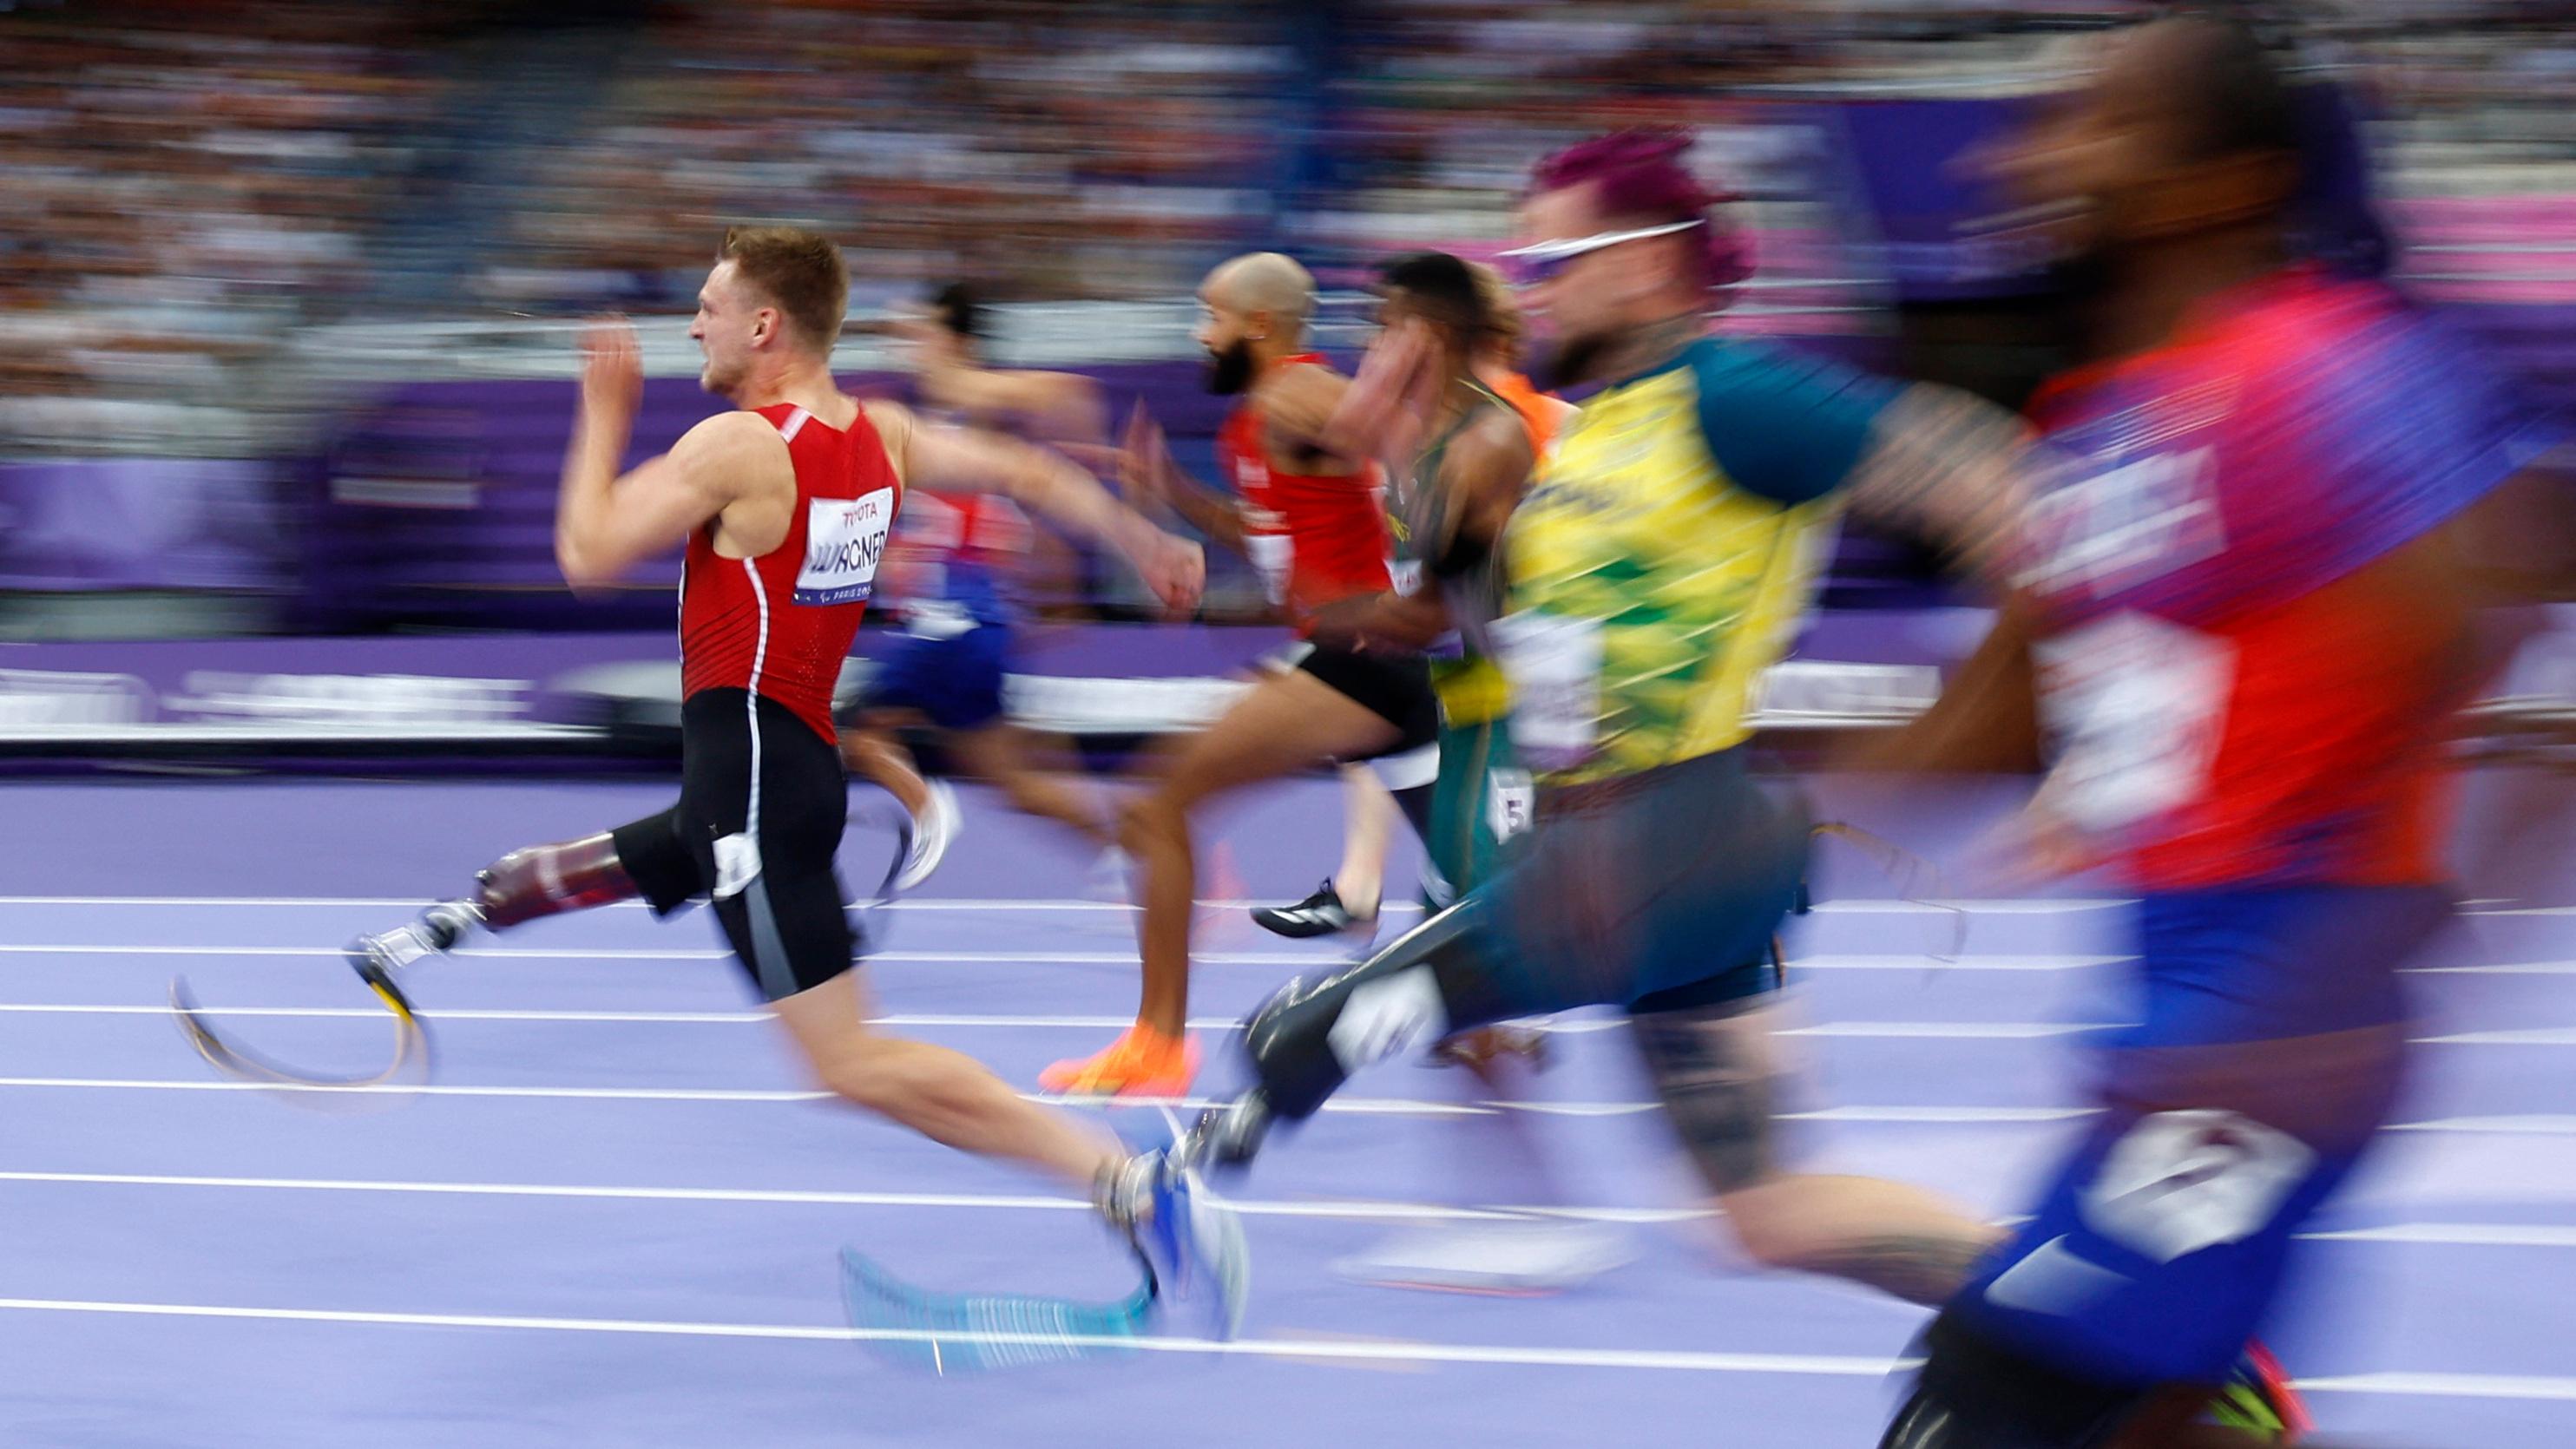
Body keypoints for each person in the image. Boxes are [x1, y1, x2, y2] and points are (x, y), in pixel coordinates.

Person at [1149, 130, 2064, 1320]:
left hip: (1659, 841)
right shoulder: (1595, 430)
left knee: (1302, 1031)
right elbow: (1489, 610)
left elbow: (2017, 493)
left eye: (1555, 260)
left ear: (1647, 265)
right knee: (1769, 1213)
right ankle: (2093, 1315)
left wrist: (2011, 724)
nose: (1530, 286)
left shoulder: (1733, 394)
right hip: (1638, 849)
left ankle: (1176, 1173)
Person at [1855, 18, 2569, 1447]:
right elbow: (2001, 715)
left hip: (2274, 1043)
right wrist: (1719, 829)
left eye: (2095, 121)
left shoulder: (2323, 373)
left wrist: (2365, 972)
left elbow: (2507, 635)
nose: (2035, 151)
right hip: (2161, 1014)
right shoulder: (2092, 421)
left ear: (2222, 182)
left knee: (1983, 1404)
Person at [343, 226, 1241, 1318]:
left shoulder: (738, 446)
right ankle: (455, 916)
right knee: (672, 852)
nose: (693, 324)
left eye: (710, 306)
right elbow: (1025, 468)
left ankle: (1128, 1183)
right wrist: (1141, 541)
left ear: (765, 325)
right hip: (791, 766)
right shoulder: (884, 433)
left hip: (755, 775)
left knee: (851, 1063)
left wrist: (604, 419)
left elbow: (585, 554)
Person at [1038, 252, 1446, 1098]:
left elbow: (1409, 445)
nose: (1199, 330)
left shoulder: (1295, 393)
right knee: (1491, 875)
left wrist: (1435, 532)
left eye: (1209, 314)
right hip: (1362, 661)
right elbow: (1273, 540)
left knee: (1157, 803)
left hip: (1359, 660)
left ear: (1258, 325)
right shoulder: (1259, 421)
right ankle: (1516, 1007)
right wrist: (1172, 492)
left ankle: (1157, 1043)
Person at [1252, 259, 1573, 942]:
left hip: (1520, 704)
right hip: (1466, 698)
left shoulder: (1484, 441)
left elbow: (1432, 613)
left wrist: (1329, 620)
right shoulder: (1415, 443)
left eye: (1383, 329)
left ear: (1425, 336)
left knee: (1492, 923)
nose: (1368, 348)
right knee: (1455, 920)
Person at [836, 282, 1125, 891]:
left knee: (855, 732)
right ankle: (1129, 856)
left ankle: (927, 808)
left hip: (954, 612)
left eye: (924, 333)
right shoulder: (934, 422)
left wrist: (1083, 454)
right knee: (1018, 783)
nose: (911, 345)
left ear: (958, 340)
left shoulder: (964, 392)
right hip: (964, 614)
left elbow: (1068, 393)